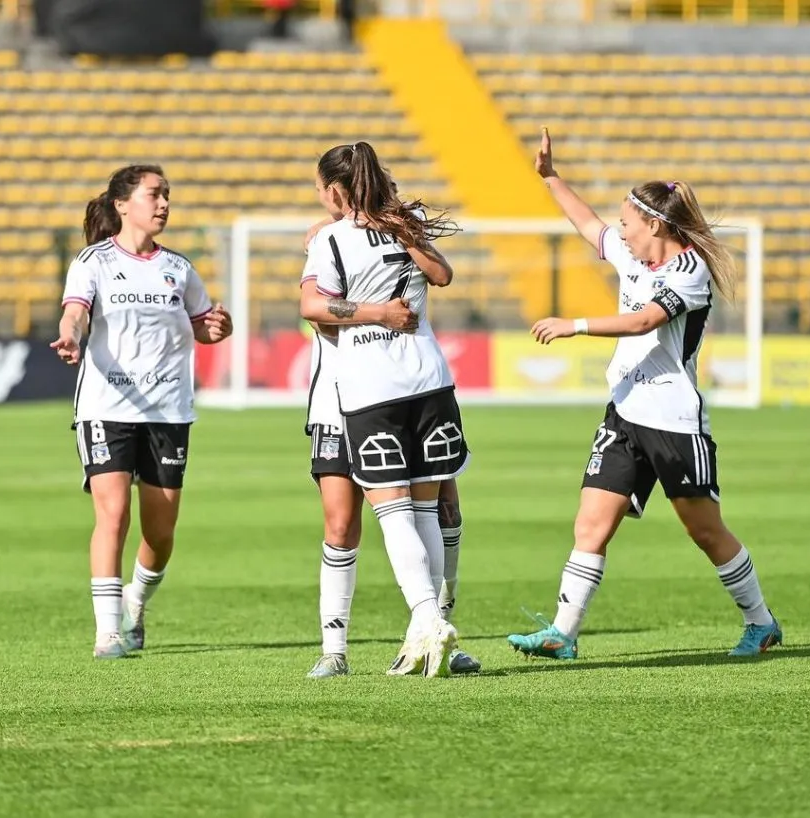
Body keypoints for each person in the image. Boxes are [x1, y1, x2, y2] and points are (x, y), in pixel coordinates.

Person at [508, 128, 782, 660]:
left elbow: (643, 322)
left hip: (674, 420)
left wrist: (575, 325)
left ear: (655, 224)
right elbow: (588, 226)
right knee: (590, 523)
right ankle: (562, 634)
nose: (622, 233)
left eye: (629, 224)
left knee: (704, 530)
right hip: (626, 412)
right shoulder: (636, 255)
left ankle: (761, 622)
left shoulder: (689, 272)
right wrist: (550, 178)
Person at [299, 141, 470, 678]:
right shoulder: (404, 222)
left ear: (333, 189)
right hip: (421, 385)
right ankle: (409, 630)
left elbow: (311, 306)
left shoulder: (333, 238)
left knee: (399, 513)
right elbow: (442, 276)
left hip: (369, 390)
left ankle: (427, 622)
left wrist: (370, 310)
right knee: (406, 514)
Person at [51, 164, 233, 659]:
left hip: (168, 410)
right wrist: (70, 333)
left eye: (167, 195)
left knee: (161, 530)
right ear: (122, 204)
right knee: (113, 514)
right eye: (154, 194)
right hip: (106, 406)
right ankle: (107, 630)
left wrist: (219, 326)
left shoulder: (179, 268)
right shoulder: (93, 262)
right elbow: (77, 310)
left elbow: (204, 326)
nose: (164, 204)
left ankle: (136, 601)